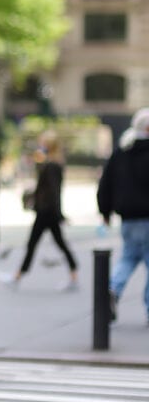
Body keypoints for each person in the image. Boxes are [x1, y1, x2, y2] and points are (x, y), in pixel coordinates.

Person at [3, 130, 78, 290]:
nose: (40, 145)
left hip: (46, 211)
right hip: (47, 210)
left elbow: (53, 191)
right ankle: (73, 274)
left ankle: (18, 275)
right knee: (56, 243)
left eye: (43, 143)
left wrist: (58, 213)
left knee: (35, 244)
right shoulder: (50, 163)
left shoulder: (52, 166)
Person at [97, 107, 149, 324]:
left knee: (128, 257)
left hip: (127, 217)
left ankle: (113, 289)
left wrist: (105, 211)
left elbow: (105, 183)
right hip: (147, 217)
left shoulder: (122, 150)